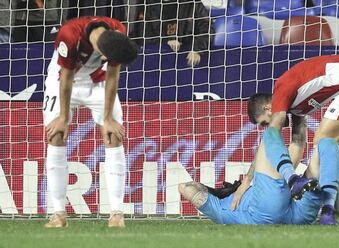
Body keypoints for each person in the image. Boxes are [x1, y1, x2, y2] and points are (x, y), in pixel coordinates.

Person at [246, 54, 339, 224]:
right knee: (331, 144)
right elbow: (298, 143)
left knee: (323, 139)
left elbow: (272, 135)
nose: (267, 125)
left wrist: (249, 180)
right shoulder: (297, 110)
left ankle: (337, 210)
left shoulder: (281, 88)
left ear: (267, 108)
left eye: (264, 121)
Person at [43, 16, 138, 228]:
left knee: (113, 135)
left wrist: (107, 118)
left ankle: (116, 214)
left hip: (98, 82)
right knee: (56, 135)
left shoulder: (117, 33)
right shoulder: (69, 35)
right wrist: (63, 118)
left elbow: (112, 76)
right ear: (103, 54)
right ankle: (58, 214)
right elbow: (66, 78)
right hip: (63, 81)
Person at [179, 127, 339, 225]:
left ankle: (327, 211)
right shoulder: (220, 207)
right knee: (270, 134)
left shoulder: (222, 211)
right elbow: (184, 187)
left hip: (297, 214)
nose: (232, 184)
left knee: (327, 143)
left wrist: (221, 191)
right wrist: (217, 192)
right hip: (268, 212)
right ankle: (327, 207)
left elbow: (187, 187)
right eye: (225, 187)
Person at [143, 0, 214, 67]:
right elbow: (143, 35)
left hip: (186, 61)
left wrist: (197, 49)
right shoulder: (150, 6)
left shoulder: (193, 4)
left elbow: (207, 28)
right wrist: (166, 41)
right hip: (156, 61)